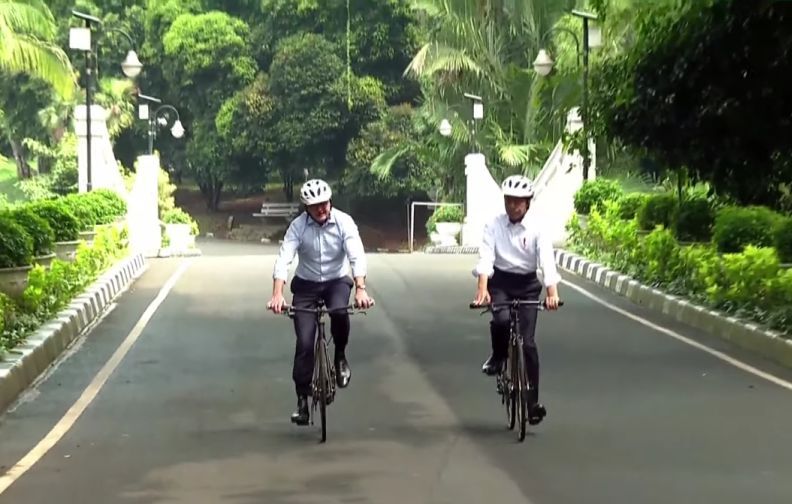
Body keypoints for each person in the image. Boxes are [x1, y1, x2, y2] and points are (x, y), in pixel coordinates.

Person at [267, 179, 375, 425]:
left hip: (336, 281)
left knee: (339, 311)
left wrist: (360, 289)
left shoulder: (344, 222)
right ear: (306, 208)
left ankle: (340, 356)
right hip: (306, 286)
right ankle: (302, 401)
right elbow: (284, 258)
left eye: (324, 203)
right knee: (305, 342)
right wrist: (277, 294)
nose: (321, 209)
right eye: (314, 206)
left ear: (330, 201)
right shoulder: (297, 227)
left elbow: (356, 254)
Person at [471, 174, 561, 426]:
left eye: (518, 202)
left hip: (528, 285)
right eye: (509, 201)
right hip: (500, 283)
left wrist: (552, 293)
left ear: (528, 203)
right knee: (500, 321)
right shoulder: (493, 225)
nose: (513, 206)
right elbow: (486, 258)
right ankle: (498, 357)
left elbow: (547, 262)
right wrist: (483, 289)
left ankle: (532, 403)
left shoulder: (538, 228)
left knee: (528, 343)